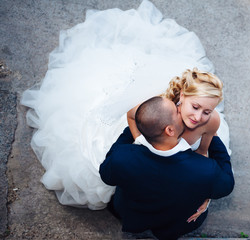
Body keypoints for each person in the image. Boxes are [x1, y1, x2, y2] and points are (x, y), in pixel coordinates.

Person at [20, 0, 231, 210]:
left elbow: (205, 147)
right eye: (195, 107)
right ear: (182, 96)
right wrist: (140, 140)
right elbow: (132, 115)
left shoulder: (210, 121)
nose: (198, 116)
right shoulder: (160, 109)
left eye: (207, 111)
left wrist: (200, 165)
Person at [99, 96, 234, 240]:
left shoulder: (121, 157)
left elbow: (106, 175)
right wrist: (213, 136)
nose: (180, 108)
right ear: (170, 130)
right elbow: (227, 184)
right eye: (176, 110)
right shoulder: (205, 170)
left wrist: (144, 126)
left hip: (130, 214)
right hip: (180, 223)